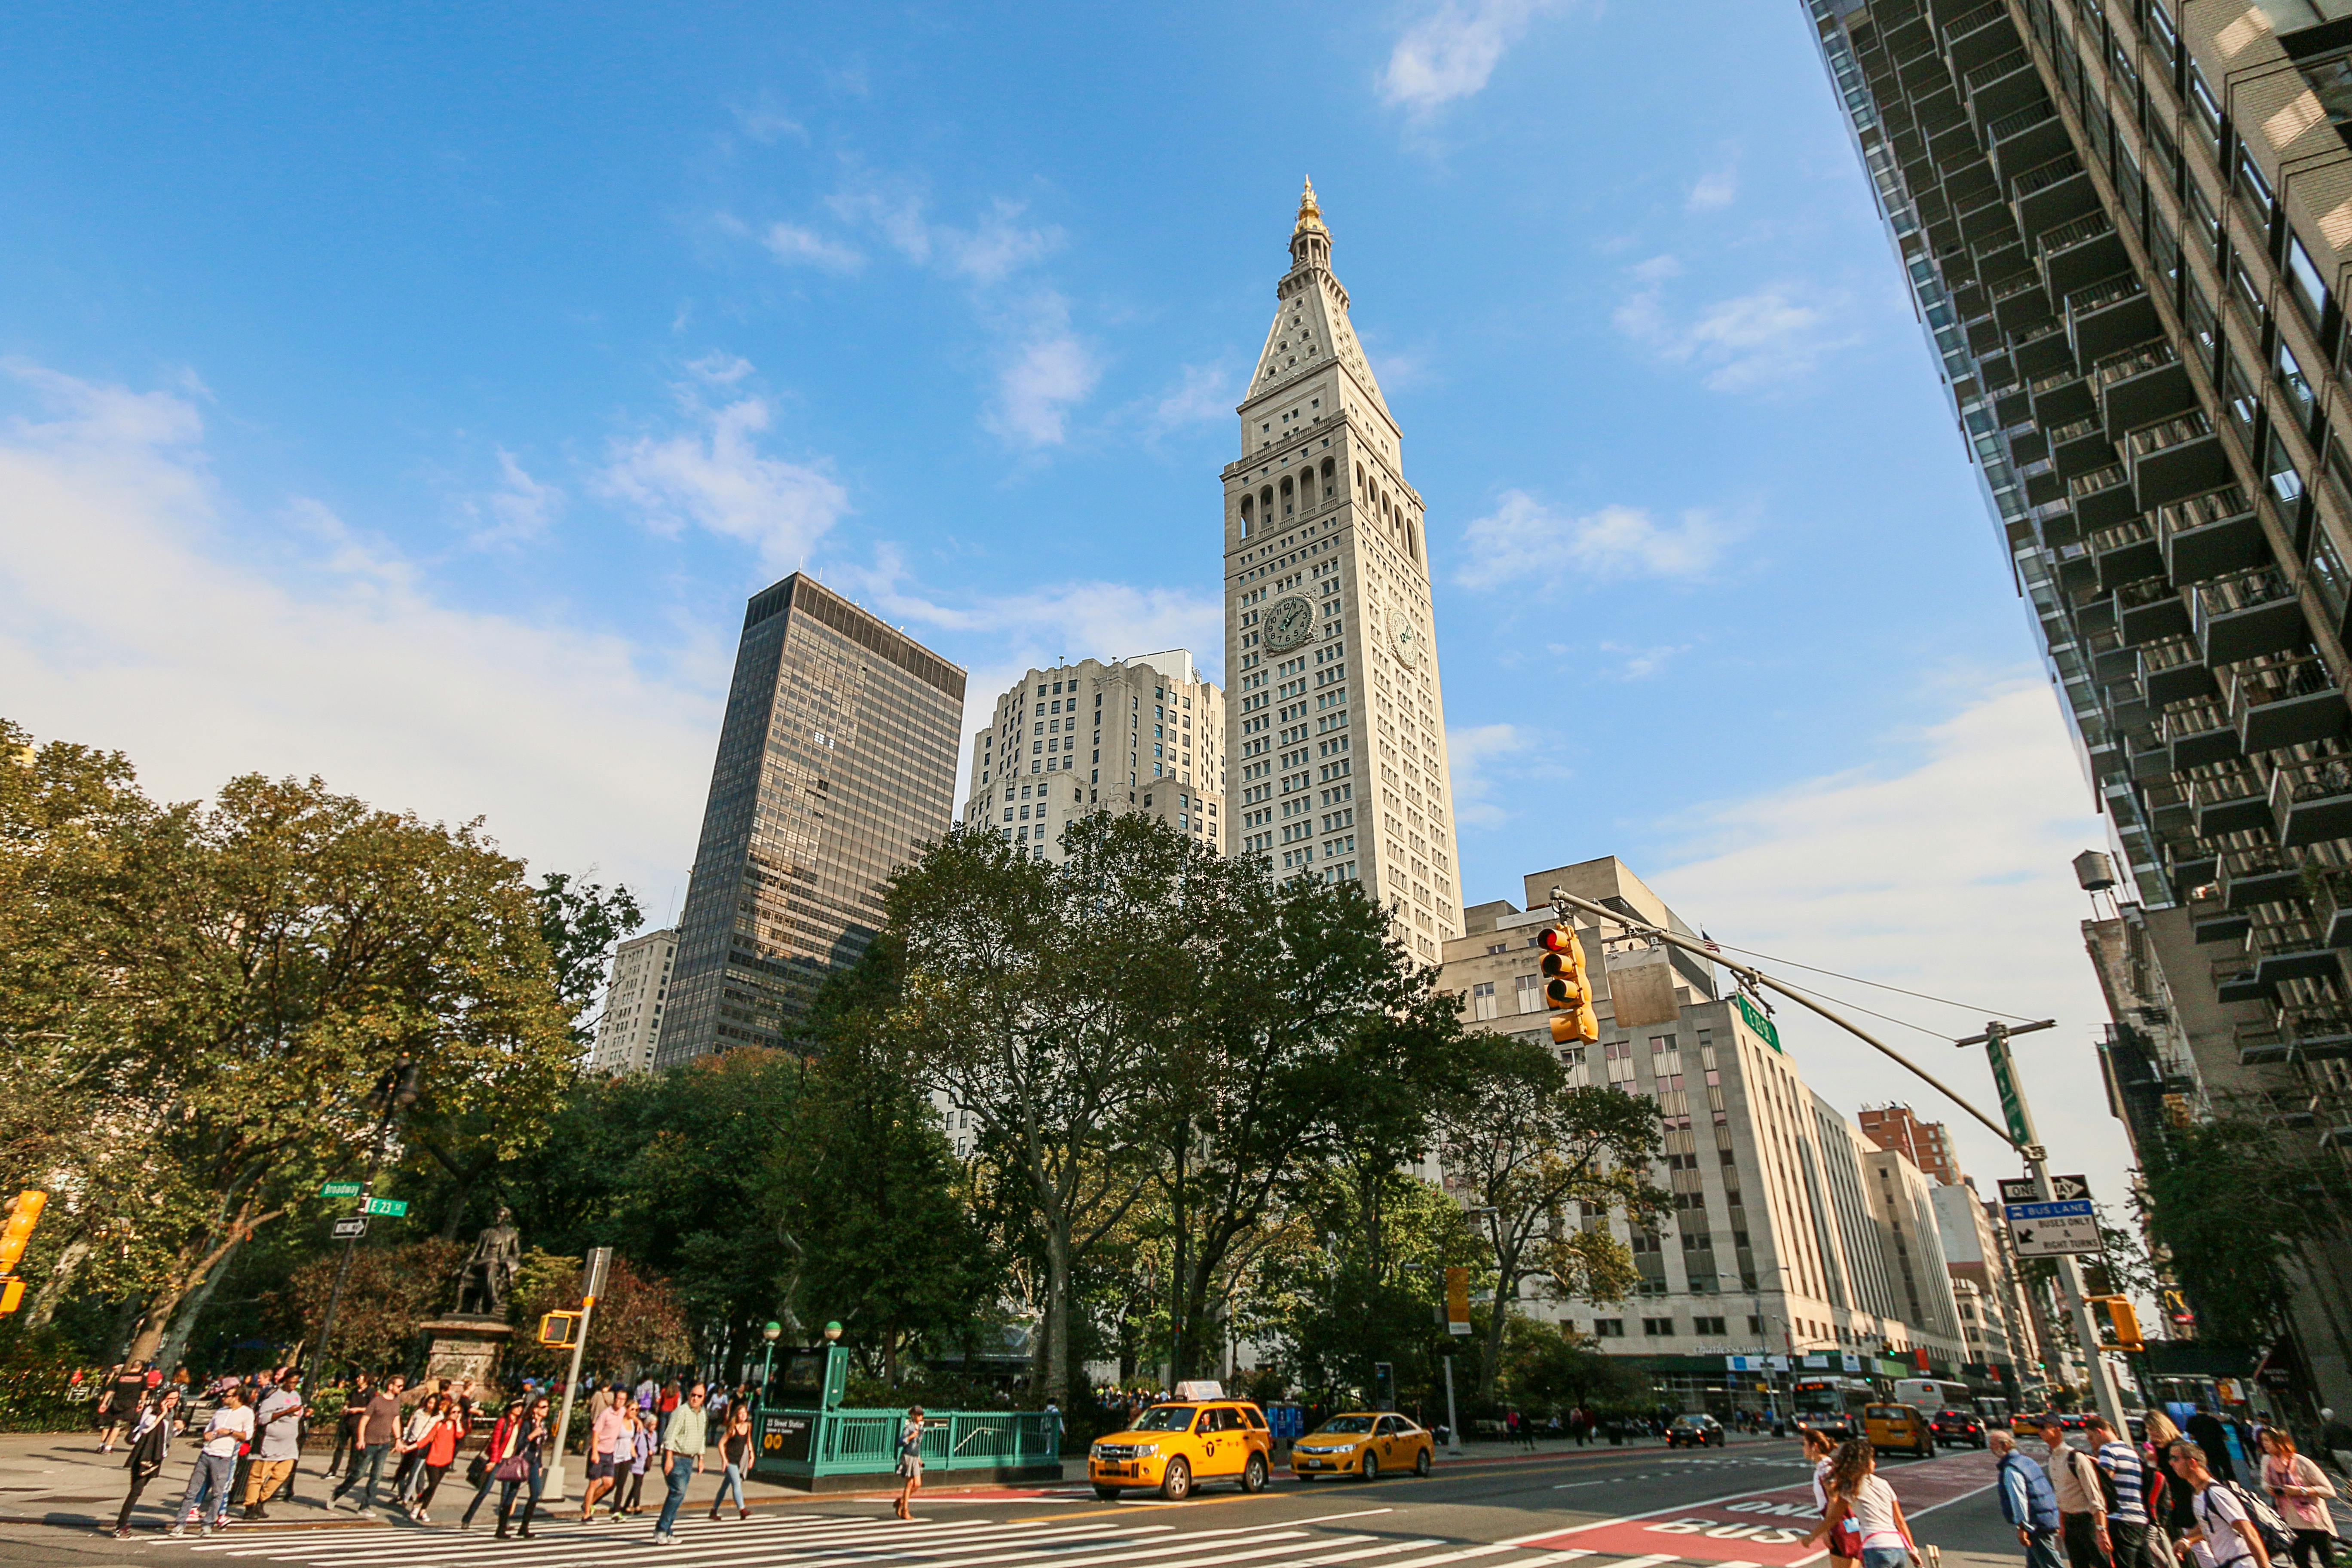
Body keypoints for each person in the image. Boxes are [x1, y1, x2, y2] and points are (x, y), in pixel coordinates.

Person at [1812, 1439, 1920, 1568]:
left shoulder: (1851, 1487)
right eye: (1872, 1460)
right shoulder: (1884, 1484)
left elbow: (1834, 1512)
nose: (1874, 1464)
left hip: (1875, 1548)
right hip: (1898, 1548)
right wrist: (1913, 1550)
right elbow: (1900, 1521)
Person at [2169, 1437, 2273, 1568]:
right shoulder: (2199, 1495)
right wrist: (2188, 1539)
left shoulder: (2217, 1494)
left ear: (2192, 1463)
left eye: (2175, 1459)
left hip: (2242, 1563)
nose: (2171, 1463)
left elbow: (2249, 1531)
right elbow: (2210, 1525)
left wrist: (2264, 1566)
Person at [168, 1384, 251, 1538]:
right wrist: (207, 1434)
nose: (224, 1398)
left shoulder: (246, 1413)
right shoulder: (220, 1412)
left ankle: (208, 1524)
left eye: (228, 1396)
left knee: (218, 1492)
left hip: (223, 1456)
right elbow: (209, 1429)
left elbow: (248, 1435)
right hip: (207, 1453)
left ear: (237, 1398)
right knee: (192, 1490)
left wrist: (231, 1432)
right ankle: (180, 1523)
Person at [2258, 1428, 2338, 1568]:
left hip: (2314, 1522)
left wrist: (2300, 1491)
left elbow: (2329, 1491)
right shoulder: (2267, 1461)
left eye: (2267, 1440)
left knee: (2329, 1563)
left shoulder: (2301, 1462)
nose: (2264, 1444)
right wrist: (2268, 1488)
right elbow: (2264, 1482)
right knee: (2301, 1562)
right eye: (2262, 1441)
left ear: (2280, 1442)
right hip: (2290, 1522)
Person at [2045, 1415, 2115, 1568]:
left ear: (2058, 1430)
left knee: (2103, 1564)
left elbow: (2095, 1497)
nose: (2040, 1432)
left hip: (2087, 1522)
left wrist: (2101, 1531)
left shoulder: (2075, 1457)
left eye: (2044, 1427)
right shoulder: (2053, 1459)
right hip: (2071, 1524)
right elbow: (2061, 1496)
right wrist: (2062, 1525)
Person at [331, 1372, 404, 1512]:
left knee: (376, 1477)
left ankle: (365, 1506)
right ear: (391, 1386)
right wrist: (361, 1440)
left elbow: (396, 1420)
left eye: (402, 1387)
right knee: (358, 1473)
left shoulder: (396, 1402)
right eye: (399, 1386)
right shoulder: (377, 1401)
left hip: (384, 1444)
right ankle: (338, 1493)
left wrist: (398, 1440)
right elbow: (364, 1421)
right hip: (370, 1443)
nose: (401, 1389)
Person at [113, 1388, 181, 1539]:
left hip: (157, 1455)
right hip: (145, 1453)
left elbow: (166, 1435)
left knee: (138, 1489)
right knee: (136, 1491)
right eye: (170, 1398)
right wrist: (162, 1413)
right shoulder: (152, 1409)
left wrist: (177, 1429)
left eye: (176, 1399)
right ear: (163, 1398)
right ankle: (121, 1526)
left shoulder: (172, 1414)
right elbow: (147, 1428)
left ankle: (122, 1524)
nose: (173, 1402)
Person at [2090, 1415, 2155, 1568]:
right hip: (2138, 1517)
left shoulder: (2107, 1450)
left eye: (2091, 1437)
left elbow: (2106, 1482)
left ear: (2100, 1432)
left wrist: (2094, 1468)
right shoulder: (2131, 1451)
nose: (2091, 1442)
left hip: (2120, 1518)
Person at [1996, 1430, 2067, 1568]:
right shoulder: (2026, 1461)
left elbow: (2019, 1498)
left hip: (2035, 1524)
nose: (1991, 1448)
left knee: (2050, 1564)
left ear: (2005, 1446)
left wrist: (2023, 1526)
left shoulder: (2012, 1469)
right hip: (2045, 1518)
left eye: (1993, 1445)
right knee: (2036, 1564)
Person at [241, 1372, 306, 1520]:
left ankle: (261, 1499)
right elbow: (263, 1418)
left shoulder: (296, 1395)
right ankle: (250, 1506)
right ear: (284, 1381)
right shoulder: (274, 1396)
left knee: (282, 1474)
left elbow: (298, 1416)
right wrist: (286, 1412)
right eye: (291, 1382)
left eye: (296, 1383)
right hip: (270, 1443)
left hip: (289, 1444)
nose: (293, 1386)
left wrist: (305, 1413)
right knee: (258, 1476)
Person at [459, 1398, 526, 1532]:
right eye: (517, 1407)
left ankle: (504, 1522)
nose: (520, 1409)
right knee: (485, 1490)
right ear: (511, 1408)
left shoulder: (519, 1423)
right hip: (498, 1460)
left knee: (506, 1494)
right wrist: (493, 1461)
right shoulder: (503, 1421)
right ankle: (467, 1518)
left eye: (521, 1407)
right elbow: (495, 1442)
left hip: (509, 1461)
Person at [655, 1382, 708, 1544]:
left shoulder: (702, 1414)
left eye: (699, 1396)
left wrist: (701, 1459)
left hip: (689, 1459)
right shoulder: (681, 1412)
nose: (695, 1399)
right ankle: (662, 1529)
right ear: (688, 1395)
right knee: (677, 1492)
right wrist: (669, 1457)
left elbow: (701, 1437)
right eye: (693, 1395)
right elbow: (669, 1436)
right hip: (677, 1457)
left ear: (704, 1398)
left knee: (679, 1495)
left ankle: (668, 1530)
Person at [1807, 1426, 1861, 1568]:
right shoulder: (1827, 1466)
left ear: (1815, 1447)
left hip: (1838, 1527)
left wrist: (1826, 1530)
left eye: (1805, 1444)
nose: (1804, 1449)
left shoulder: (1826, 1468)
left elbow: (1834, 1499)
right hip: (1846, 1524)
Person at [404, 1395, 463, 1524]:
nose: (456, 1415)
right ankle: (418, 1504)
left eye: (459, 1412)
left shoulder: (455, 1426)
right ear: (448, 1412)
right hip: (433, 1459)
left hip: (446, 1460)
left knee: (434, 1487)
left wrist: (458, 1422)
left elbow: (460, 1435)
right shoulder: (438, 1425)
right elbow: (425, 1440)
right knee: (433, 1484)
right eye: (454, 1412)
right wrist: (410, 1448)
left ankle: (423, 1509)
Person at [581, 1382, 634, 1523]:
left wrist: (639, 1422)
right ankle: (586, 1514)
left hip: (610, 1453)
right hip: (599, 1451)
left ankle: (589, 1502)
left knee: (609, 1483)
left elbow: (631, 1414)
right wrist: (594, 1452)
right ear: (614, 1399)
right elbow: (596, 1432)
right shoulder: (606, 1413)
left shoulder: (622, 1411)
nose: (620, 1402)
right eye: (618, 1399)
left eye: (623, 1400)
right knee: (594, 1482)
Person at [710, 1401, 754, 1522]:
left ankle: (714, 1511)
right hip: (731, 1460)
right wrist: (724, 1460)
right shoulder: (733, 1429)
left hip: (739, 1459)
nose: (743, 1416)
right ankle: (742, 1510)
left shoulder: (748, 1426)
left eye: (745, 1413)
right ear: (737, 1415)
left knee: (724, 1487)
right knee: (737, 1484)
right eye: (740, 1414)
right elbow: (721, 1444)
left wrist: (752, 1455)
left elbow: (748, 1441)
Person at [98, 1361, 150, 1453]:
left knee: (107, 1424)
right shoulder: (142, 1378)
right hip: (130, 1403)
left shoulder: (122, 1377)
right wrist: (142, 1403)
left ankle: (101, 1445)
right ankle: (108, 1447)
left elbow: (110, 1390)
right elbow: (144, 1392)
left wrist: (104, 1403)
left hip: (116, 1402)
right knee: (118, 1425)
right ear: (141, 1367)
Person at [328, 1372, 372, 1476]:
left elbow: (371, 1408)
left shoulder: (371, 1392)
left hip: (359, 1423)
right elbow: (348, 1402)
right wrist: (345, 1408)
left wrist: (358, 1410)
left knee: (355, 1449)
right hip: (347, 1421)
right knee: (340, 1447)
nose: (358, 1380)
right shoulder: (353, 1391)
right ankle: (333, 1470)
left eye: (361, 1378)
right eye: (358, 1377)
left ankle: (350, 1471)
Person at [2187, 1409, 2241, 1485]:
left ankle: (2220, 1486)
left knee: (2215, 1472)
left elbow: (2191, 1436)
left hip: (2206, 1451)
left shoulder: (2192, 1421)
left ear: (2196, 1411)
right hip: (2220, 1449)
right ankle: (2234, 1487)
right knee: (2228, 1470)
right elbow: (2225, 1436)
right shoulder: (2212, 1420)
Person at [895, 1406, 925, 1522]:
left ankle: (901, 1502)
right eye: (918, 1415)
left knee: (917, 1484)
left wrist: (919, 1458)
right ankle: (905, 1510)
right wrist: (910, 1437)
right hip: (907, 1456)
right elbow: (900, 1442)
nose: (920, 1417)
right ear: (913, 1416)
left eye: (921, 1415)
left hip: (915, 1457)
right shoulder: (909, 1428)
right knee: (910, 1483)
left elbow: (918, 1445)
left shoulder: (921, 1429)